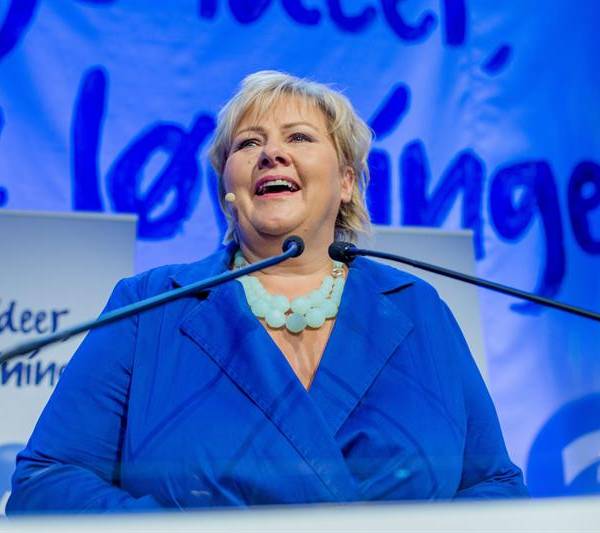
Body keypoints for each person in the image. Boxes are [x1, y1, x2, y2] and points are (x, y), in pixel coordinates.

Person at [7, 71, 527, 513]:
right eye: (248, 143)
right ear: (227, 189)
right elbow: (46, 484)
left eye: (299, 137)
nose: (272, 153)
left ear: (346, 181)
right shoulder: (150, 306)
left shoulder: (418, 307)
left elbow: (497, 486)